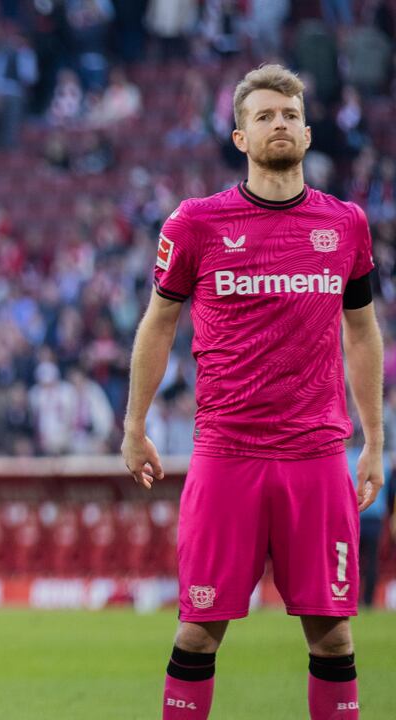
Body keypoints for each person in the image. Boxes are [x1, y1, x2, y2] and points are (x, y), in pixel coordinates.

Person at [121, 64, 383, 720]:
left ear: (309, 131)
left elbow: (363, 332)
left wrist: (374, 439)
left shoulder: (346, 225)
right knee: (199, 629)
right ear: (241, 136)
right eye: (264, 116)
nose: (279, 125)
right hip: (227, 452)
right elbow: (158, 323)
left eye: (289, 115)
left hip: (318, 455)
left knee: (334, 635)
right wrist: (134, 424)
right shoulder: (196, 224)